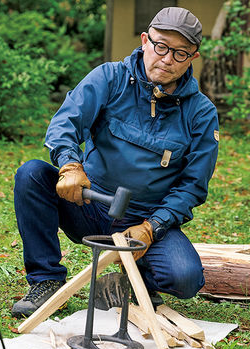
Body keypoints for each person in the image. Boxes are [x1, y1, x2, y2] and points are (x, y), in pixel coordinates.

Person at [11, 7, 219, 318]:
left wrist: (153, 226)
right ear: (146, 40)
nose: (167, 59)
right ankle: (47, 281)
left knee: (186, 279)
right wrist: (70, 165)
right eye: (161, 46)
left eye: (180, 53)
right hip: (89, 203)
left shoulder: (201, 113)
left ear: (193, 57)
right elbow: (66, 123)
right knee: (31, 174)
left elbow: (192, 186)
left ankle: (127, 282)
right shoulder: (109, 78)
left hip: (143, 219)